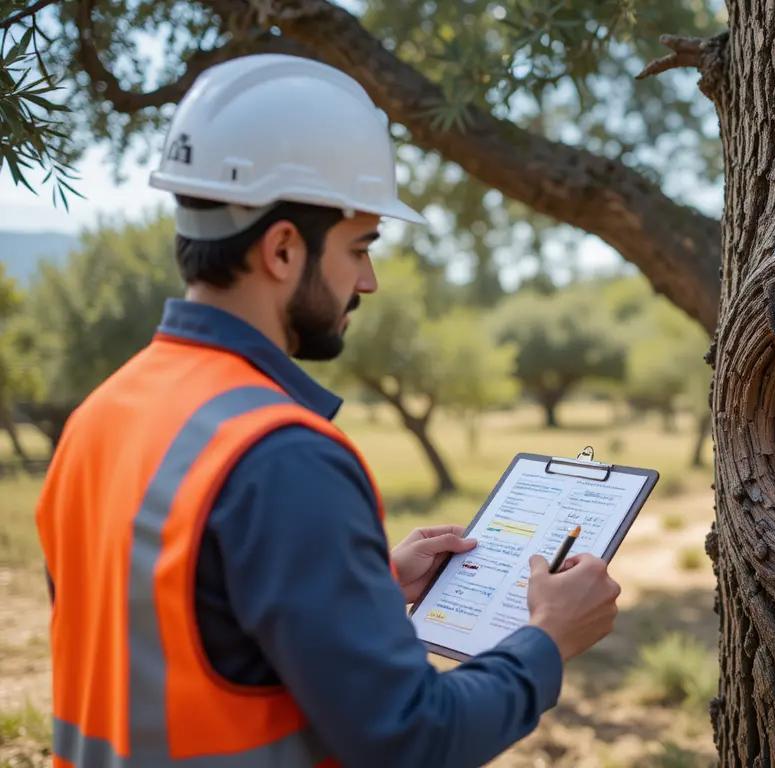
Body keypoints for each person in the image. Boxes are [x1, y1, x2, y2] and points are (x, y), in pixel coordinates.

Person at [35, 54, 621, 767]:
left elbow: (173, 624)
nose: (367, 282)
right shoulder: (282, 456)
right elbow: (415, 739)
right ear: (283, 249)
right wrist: (547, 638)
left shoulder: (101, 415)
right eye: (359, 247)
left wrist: (365, 588)